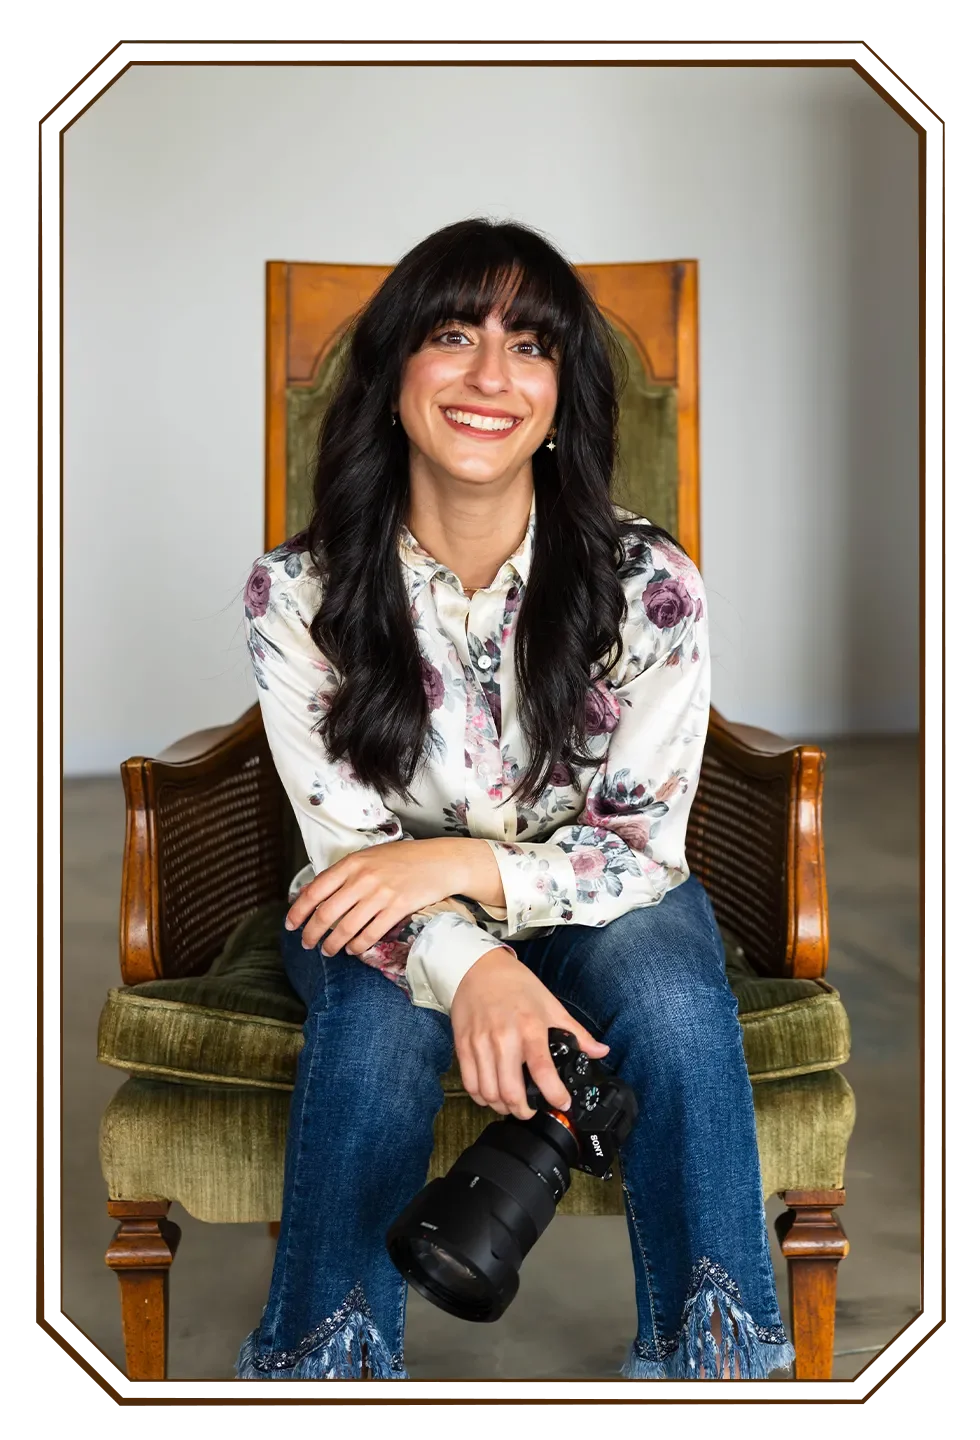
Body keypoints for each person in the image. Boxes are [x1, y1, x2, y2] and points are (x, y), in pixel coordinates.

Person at [235, 218, 793, 1382]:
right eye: (452, 335)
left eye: (529, 347)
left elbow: (638, 850)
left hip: (596, 894)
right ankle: (320, 1363)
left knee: (674, 1008)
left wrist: (457, 868)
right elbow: (351, 860)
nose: (491, 376)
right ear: (393, 375)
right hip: (371, 909)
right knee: (375, 1021)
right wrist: (478, 966)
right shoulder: (298, 593)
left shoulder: (648, 588)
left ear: (559, 397)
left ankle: (719, 1359)